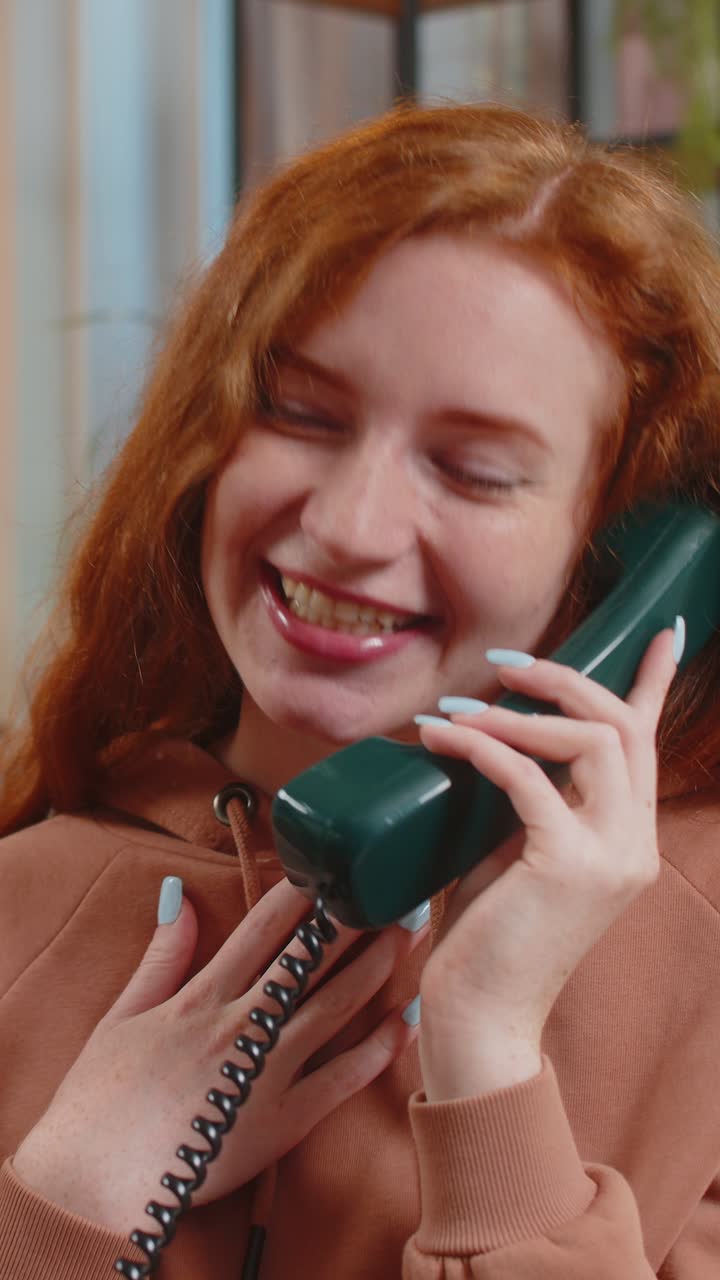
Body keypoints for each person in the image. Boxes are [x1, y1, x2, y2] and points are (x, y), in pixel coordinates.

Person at [1, 101, 720, 1280]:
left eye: (474, 469)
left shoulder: (698, 959)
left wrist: (492, 1056)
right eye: (298, 411)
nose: (345, 527)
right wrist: (66, 1198)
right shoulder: (23, 900)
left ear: (616, 559)